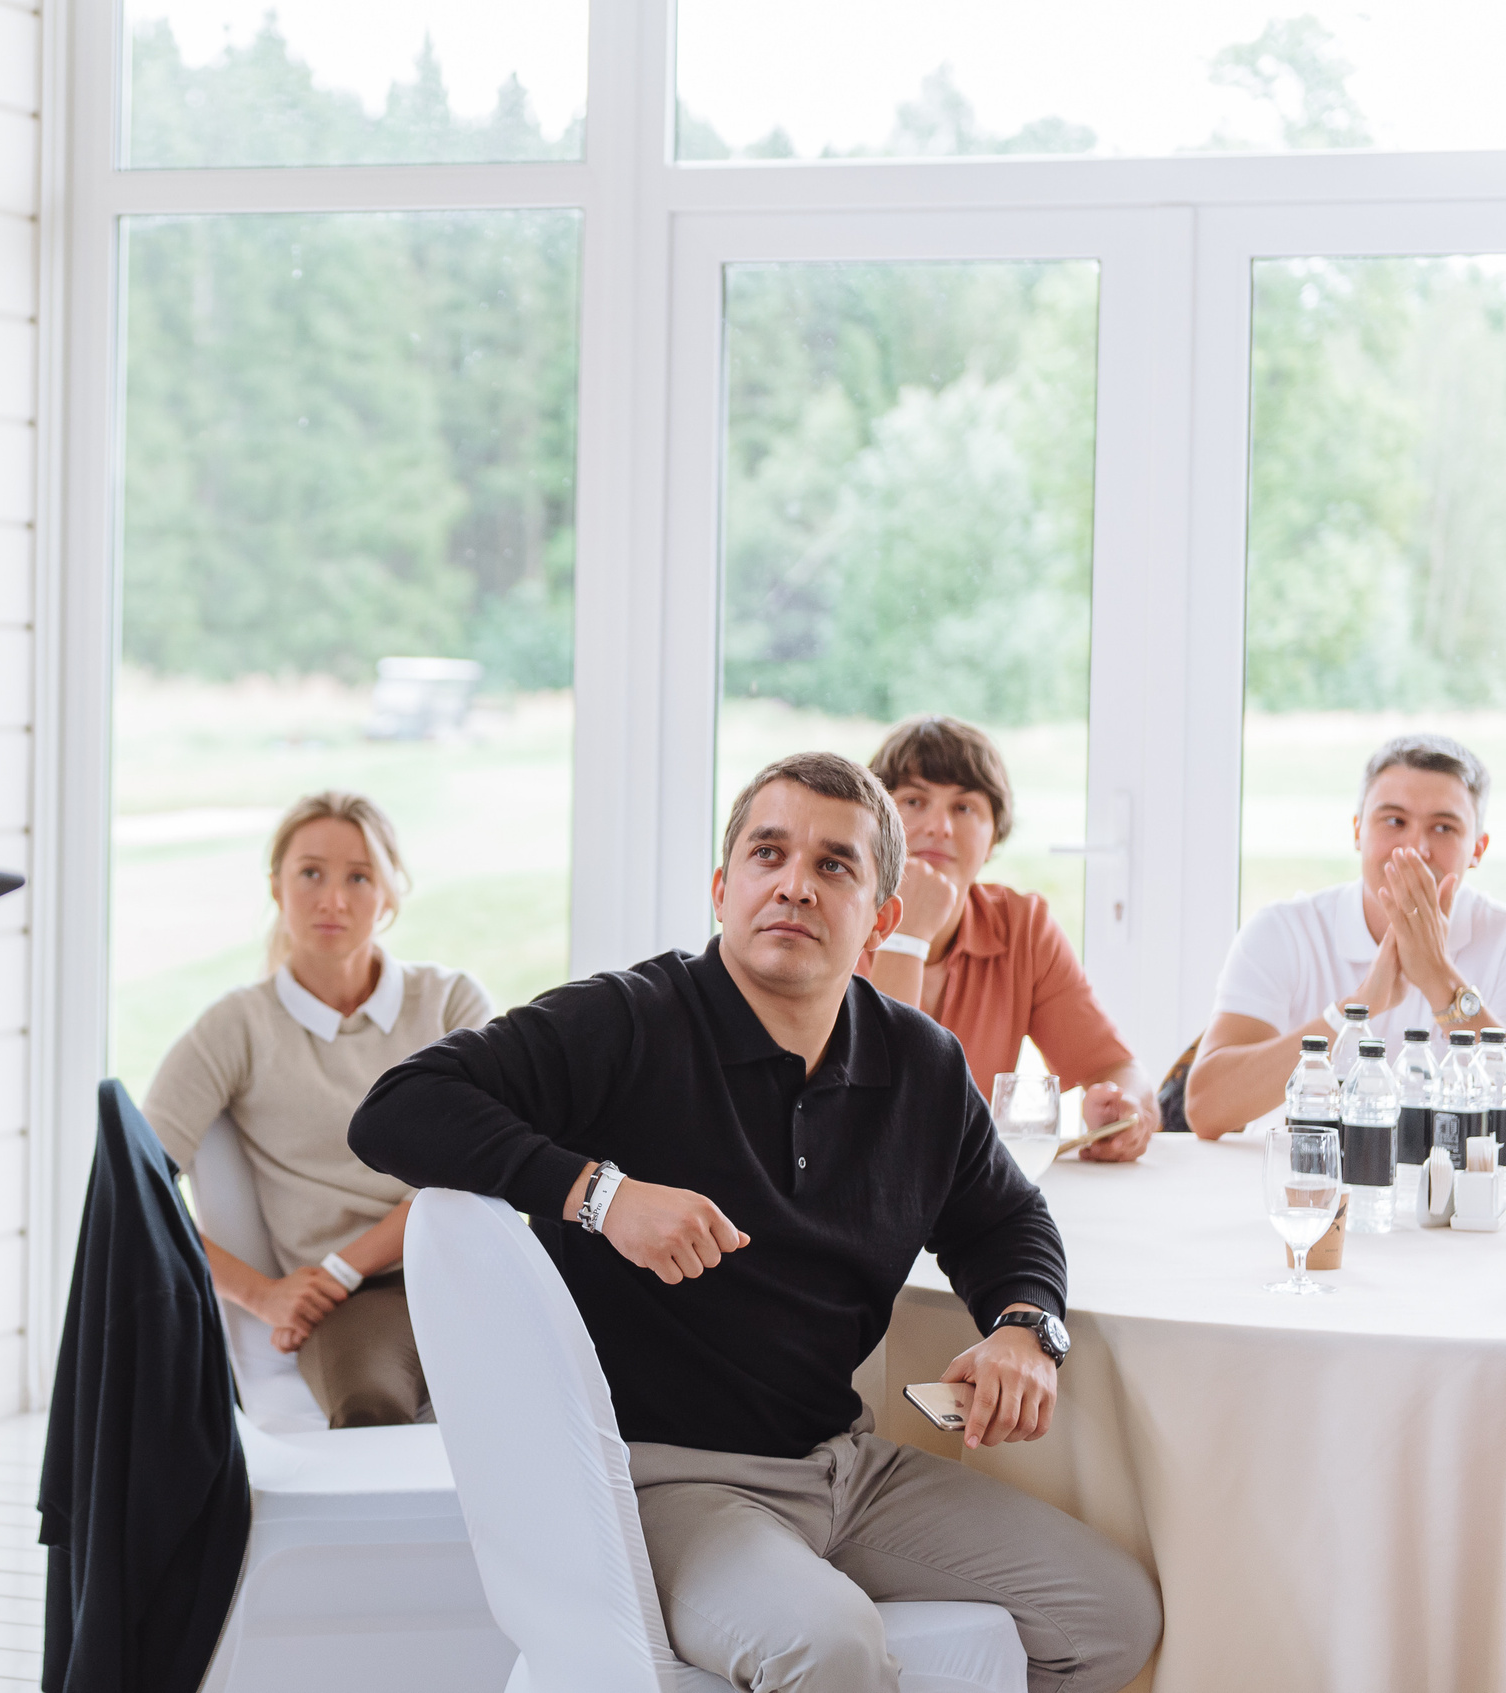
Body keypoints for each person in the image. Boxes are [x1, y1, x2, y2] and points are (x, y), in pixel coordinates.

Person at [352, 753, 1160, 1692]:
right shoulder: (630, 1020)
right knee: (830, 1649)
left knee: (1112, 1614)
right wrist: (601, 1194)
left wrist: (1027, 1327)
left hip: (844, 1467)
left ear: (882, 920)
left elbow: (1005, 1217)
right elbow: (398, 1108)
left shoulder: (920, 1064)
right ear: (722, 888)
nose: (793, 885)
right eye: (767, 853)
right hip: (664, 1482)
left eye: (833, 866)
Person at [144, 791, 493, 1427]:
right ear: (276, 888)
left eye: (359, 877)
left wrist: (338, 1267)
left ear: (390, 894)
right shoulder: (237, 1027)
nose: (332, 900)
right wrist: (263, 1294)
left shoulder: (450, 1003)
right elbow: (135, 1182)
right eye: (310, 873)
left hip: (480, 1266)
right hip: (359, 1306)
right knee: (369, 1407)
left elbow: (482, 1161)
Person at [861, 716, 1154, 1161]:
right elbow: (872, 1111)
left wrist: (1123, 1108)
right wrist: (910, 934)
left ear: (995, 834)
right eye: (915, 801)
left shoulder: (1022, 927)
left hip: (965, 1197)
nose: (939, 826)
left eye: (964, 808)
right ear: (875, 823)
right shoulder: (833, 917)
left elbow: (1119, 1070)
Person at [1186, 733, 1505, 1138]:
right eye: (1394, 821)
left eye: (1444, 828)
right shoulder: (1285, 932)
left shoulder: (1499, 938)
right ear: (1358, 831)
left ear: (1477, 848)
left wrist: (1440, 980)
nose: (1415, 848)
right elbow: (1206, 1109)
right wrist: (1357, 1008)